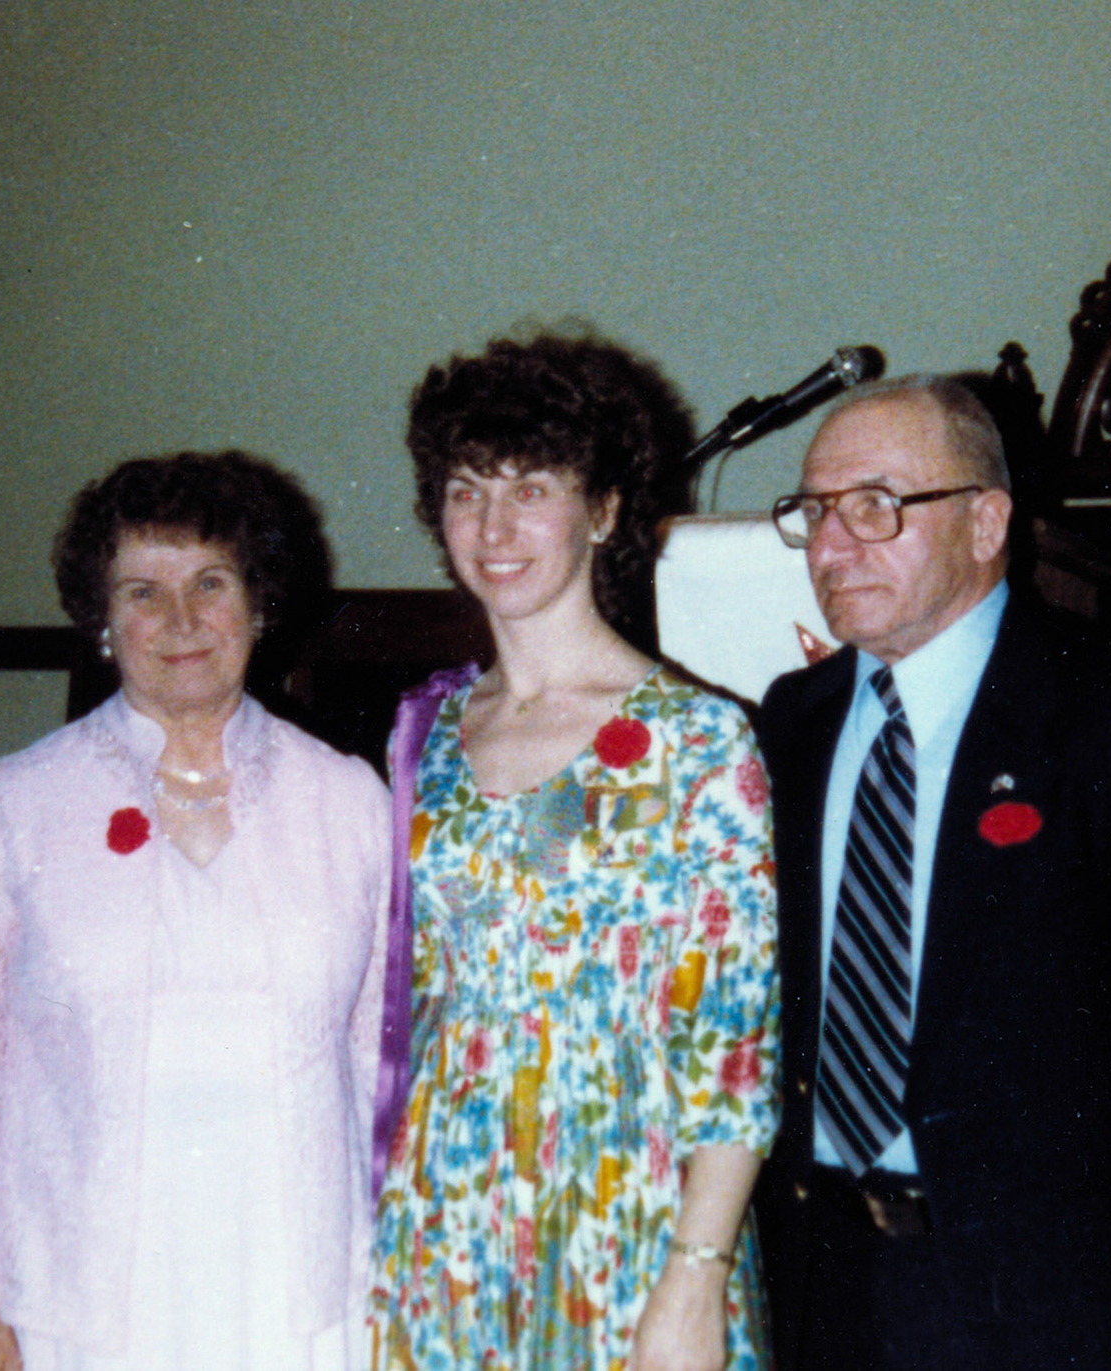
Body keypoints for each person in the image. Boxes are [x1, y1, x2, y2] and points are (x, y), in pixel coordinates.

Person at [753, 375, 1111, 1369]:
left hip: (1049, 1303)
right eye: (814, 513)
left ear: (986, 522)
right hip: (820, 1281)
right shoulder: (788, 725)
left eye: (876, 507)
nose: (834, 547)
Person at [0, 451, 391, 1371]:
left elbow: (379, 1065)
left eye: (211, 582)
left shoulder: (350, 801)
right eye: (142, 592)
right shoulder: (19, 803)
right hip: (81, 1307)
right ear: (102, 621)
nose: (182, 620)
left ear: (260, 602)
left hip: (303, 1298)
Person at [367, 331, 781, 1371]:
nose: (495, 526)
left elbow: (735, 1050)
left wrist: (697, 1275)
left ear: (603, 512)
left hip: (628, 1225)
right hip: (442, 1226)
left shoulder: (699, 742)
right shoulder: (425, 735)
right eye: (467, 490)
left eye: (532, 488)